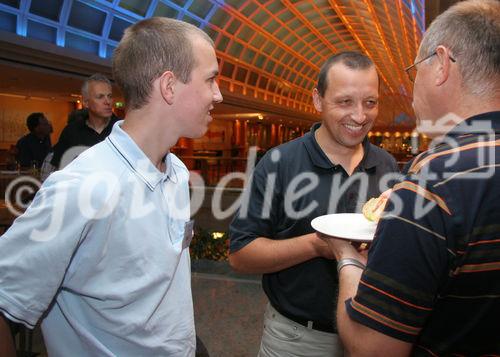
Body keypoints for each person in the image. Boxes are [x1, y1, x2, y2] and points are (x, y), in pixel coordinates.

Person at [0, 16, 222, 356]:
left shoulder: (176, 172)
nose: (218, 95)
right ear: (169, 86)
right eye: (210, 80)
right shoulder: (82, 188)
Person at [323, 1, 500, 355]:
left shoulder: (433, 178)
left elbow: (372, 348)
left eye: (414, 69)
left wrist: (347, 257)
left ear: (440, 65)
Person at [229, 52, 399, 356]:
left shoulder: (387, 165)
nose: (360, 116)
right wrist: (317, 245)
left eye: (370, 103)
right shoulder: (280, 163)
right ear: (318, 100)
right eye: (345, 102)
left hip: (373, 334)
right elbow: (241, 255)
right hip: (297, 340)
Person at [50, 73, 119, 169]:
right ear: (86, 103)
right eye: (100, 97)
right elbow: (60, 168)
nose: (108, 102)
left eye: (110, 96)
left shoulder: (123, 128)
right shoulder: (71, 132)